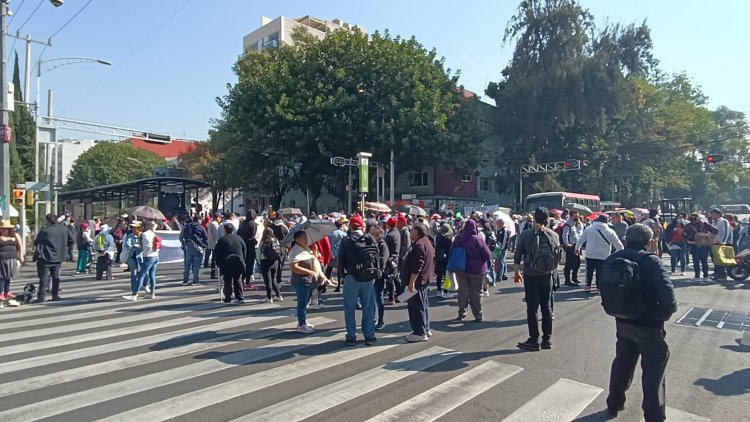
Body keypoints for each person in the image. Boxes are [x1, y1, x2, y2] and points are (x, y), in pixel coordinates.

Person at [604, 224, 678, 421]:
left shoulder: (614, 258)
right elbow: (669, 300)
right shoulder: (651, 261)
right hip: (649, 324)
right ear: (650, 242)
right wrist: (662, 314)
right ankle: (654, 416)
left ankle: (614, 403)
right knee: (654, 370)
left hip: (622, 320)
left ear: (627, 239)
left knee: (622, 364)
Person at [513, 207, 560, 351]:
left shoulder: (526, 235)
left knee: (532, 307)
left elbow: (517, 255)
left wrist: (516, 272)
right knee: (546, 306)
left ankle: (533, 340)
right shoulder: (553, 235)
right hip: (547, 273)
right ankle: (547, 340)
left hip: (531, 273)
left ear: (534, 218)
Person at [337, 215, 378, 346]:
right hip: (368, 276)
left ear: (350, 227)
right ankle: (369, 336)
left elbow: (340, 261)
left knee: (349, 308)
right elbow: (377, 256)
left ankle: (351, 336)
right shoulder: (369, 238)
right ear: (362, 227)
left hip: (351, 276)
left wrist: (342, 276)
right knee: (368, 307)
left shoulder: (346, 240)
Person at [450, 218, 492, 322]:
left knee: (462, 291)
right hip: (477, 269)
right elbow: (487, 254)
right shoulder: (478, 239)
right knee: (476, 292)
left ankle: (461, 313)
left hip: (461, 268)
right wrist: (488, 265)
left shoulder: (458, 238)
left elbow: (451, 252)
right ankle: (478, 315)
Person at [402, 223, 436, 342]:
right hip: (424, 279)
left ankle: (419, 332)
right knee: (423, 305)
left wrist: (411, 282)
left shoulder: (419, 245)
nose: (410, 232)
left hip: (418, 281)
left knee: (416, 307)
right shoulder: (426, 241)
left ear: (417, 232)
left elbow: (417, 266)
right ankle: (425, 327)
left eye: (412, 230)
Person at [576, 214, 624, 294]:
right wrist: (618, 253)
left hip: (590, 254)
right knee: (600, 272)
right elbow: (619, 245)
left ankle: (588, 286)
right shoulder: (610, 231)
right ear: (606, 221)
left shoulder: (589, 229)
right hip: (603, 255)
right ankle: (598, 287)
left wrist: (577, 248)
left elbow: (581, 240)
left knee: (589, 271)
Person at [33, 213, 74, 302]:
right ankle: (55, 295)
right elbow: (72, 240)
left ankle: (41, 296)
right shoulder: (64, 229)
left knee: (43, 277)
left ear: (48, 221)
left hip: (45, 256)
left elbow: (36, 243)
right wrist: (63, 246)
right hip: (59, 256)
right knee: (56, 277)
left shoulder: (45, 231)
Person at [289, 230, 317, 334]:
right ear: (297, 240)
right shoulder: (295, 250)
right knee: (302, 303)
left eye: (306, 237)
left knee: (305, 303)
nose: (306, 240)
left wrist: (314, 251)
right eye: (303, 238)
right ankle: (301, 324)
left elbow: (313, 259)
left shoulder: (304, 248)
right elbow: (294, 267)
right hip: (300, 280)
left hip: (308, 280)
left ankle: (303, 321)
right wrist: (308, 271)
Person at [124, 221, 160, 301]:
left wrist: (145, 253)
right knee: (152, 275)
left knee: (141, 275)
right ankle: (152, 293)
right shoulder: (151, 232)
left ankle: (134, 294)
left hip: (149, 256)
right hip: (155, 256)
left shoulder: (145, 234)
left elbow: (148, 246)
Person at [214, 224, 246, 304]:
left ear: (225, 230)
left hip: (226, 263)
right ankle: (240, 297)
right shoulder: (239, 238)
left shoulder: (222, 240)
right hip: (238, 261)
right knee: (237, 279)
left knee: (227, 280)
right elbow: (244, 249)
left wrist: (218, 263)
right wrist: (243, 259)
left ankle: (228, 297)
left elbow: (217, 253)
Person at [370, 225, 389, 330]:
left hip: (379, 276)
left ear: (378, 235)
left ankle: (381, 320)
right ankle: (372, 319)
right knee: (371, 298)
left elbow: (383, 262)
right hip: (371, 275)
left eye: (372, 234)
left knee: (378, 298)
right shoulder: (372, 244)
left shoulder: (383, 246)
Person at [180, 216, 208, 286]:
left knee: (187, 264)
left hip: (188, 246)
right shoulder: (201, 227)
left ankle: (185, 280)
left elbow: (181, 236)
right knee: (197, 265)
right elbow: (206, 237)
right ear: (199, 220)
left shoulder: (187, 226)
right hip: (197, 246)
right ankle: (195, 281)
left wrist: (184, 244)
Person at [0, 220, 23, 301]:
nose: (3, 230)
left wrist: (21, 256)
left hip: (12, 259)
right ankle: (1, 292)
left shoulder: (15, 235)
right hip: (2, 259)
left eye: (5, 228)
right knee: (2, 276)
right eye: (2, 229)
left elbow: (20, 245)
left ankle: (7, 291)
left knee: (9, 276)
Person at [258, 228, 283, 303]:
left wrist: (259, 261)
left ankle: (269, 298)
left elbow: (259, 253)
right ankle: (278, 295)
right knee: (273, 279)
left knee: (267, 281)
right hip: (275, 261)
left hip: (265, 261)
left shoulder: (264, 241)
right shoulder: (275, 240)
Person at [237, 210, 259, 288]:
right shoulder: (253, 224)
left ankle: (242, 280)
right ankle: (247, 282)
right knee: (250, 264)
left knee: (243, 263)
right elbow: (253, 235)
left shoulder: (242, 224)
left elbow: (238, 233)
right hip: (250, 246)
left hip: (242, 246)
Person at [561, 211, 584, 286]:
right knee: (569, 264)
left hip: (575, 246)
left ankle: (574, 278)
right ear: (571, 216)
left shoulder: (574, 224)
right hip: (571, 247)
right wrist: (567, 244)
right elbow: (565, 235)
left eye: (577, 216)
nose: (577, 217)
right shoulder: (567, 225)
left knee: (577, 262)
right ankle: (567, 280)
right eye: (575, 216)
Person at [710, 208, 732, 281]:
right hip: (714, 243)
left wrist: (723, 241)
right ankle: (717, 274)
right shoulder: (713, 223)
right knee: (715, 260)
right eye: (712, 214)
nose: (712, 215)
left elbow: (726, 232)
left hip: (721, 243)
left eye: (714, 214)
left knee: (721, 261)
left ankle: (722, 276)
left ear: (719, 214)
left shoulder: (723, 221)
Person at [434, 223, 455, 298]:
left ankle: (438, 291)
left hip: (439, 256)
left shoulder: (437, 236)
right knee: (447, 275)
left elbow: (435, 245)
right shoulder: (450, 237)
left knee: (439, 275)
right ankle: (446, 291)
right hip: (448, 257)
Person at [326, 219, 347, 292]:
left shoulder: (330, 233)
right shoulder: (342, 233)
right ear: (340, 226)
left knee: (329, 269)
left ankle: (325, 284)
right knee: (339, 270)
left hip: (331, 253)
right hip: (339, 253)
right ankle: (338, 286)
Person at [123, 221, 144, 295]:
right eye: (132, 227)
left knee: (143, 273)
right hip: (132, 256)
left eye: (134, 227)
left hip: (141, 257)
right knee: (133, 273)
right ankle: (134, 289)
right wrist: (134, 247)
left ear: (138, 228)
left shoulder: (142, 236)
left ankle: (145, 286)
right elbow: (128, 245)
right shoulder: (130, 235)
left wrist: (138, 246)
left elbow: (144, 246)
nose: (133, 229)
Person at [384, 217, 401, 304]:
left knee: (390, 278)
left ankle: (391, 298)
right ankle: (400, 295)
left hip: (391, 258)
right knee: (396, 277)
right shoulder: (397, 233)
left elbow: (384, 246)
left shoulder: (389, 235)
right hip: (396, 258)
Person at [396, 214, 411, 296]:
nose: (397, 223)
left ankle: (403, 293)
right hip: (399, 257)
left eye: (398, 221)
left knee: (403, 275)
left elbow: (407, 246)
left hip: (403, 258)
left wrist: (401, 256)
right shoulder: (398, 231)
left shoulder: (406, 232)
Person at [207, 213, 222, 278]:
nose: (220, 219)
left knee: (214, 258)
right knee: (215, 259)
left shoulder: (211, 223)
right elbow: (216, 235)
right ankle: (214, 273)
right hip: (215, 243)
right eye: (219, 217)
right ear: (217, 217)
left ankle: (213, 272)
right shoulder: (214, 224)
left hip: (211, 243)